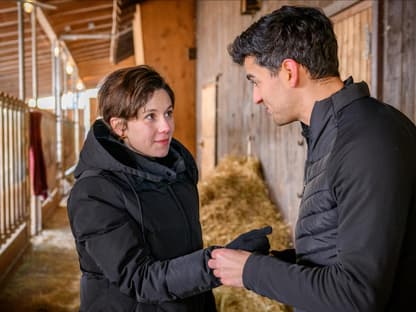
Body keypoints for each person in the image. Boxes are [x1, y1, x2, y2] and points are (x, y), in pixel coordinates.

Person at [208, 5, 416, 312]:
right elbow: (341, 248)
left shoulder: (368, 141)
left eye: (256, 81)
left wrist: (252, 272)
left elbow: (356, 294)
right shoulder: (336, 132)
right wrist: (268, 261)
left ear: (290, 72)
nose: (256, 97)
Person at [67, 65, 272, 311]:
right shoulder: (94, 194)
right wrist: (220, 262)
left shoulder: (178, 172)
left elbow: (181, 256)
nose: (166, 126)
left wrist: (229, 256)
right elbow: (139, 279)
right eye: (150, 116)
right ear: (120, 127)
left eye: (168, 113)